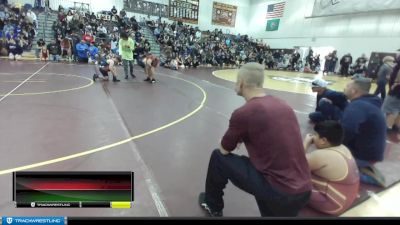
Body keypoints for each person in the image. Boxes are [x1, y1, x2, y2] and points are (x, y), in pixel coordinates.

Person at [199, 63, 311, 217]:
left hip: (279, 190)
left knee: (218, 157)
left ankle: (213, 205)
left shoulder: (244, 112)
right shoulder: (283, 105)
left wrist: (230, 141)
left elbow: (225, 149)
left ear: (242, 82)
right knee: (260, 167)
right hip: (303, 189)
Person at [303, 121, 359, 215]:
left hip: (334, 204)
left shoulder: (322, 155)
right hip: (346, 198)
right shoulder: (343, 148)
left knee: (292, 179)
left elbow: (294, 165)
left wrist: (306, 143)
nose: (313, 137)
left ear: (323, 140)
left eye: (315, 135)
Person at [342, 78, 387, 187]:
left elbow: (347, 131)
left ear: (354, 91)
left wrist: (332, 147)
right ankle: (362, 168)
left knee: (327, 163)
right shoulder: (369, 102)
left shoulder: (358, 106)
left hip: (363, 155)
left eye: (348, 86)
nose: (344, 88)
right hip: (372, 152)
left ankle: (364, 175)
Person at [382, 54, 400, 135]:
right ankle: (395, 126)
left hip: (396, 92)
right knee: (398, 110)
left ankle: (387, 127)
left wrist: (395, 84)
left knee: (390, 110)